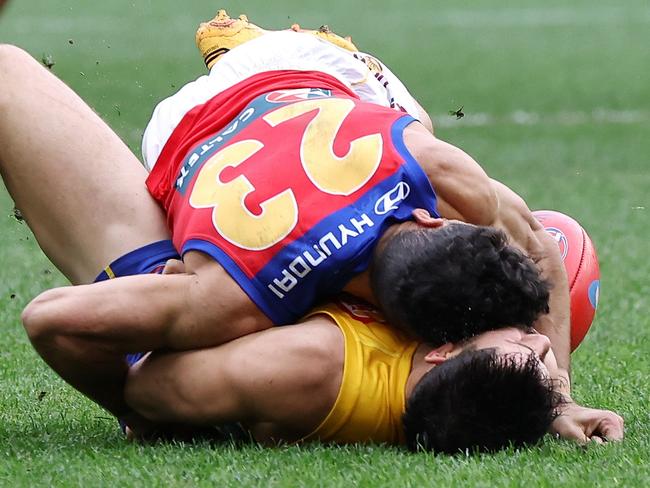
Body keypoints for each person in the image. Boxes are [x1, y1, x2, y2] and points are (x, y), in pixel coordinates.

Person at [0, 43, 622, 448]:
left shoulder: (293, 340)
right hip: (293, 86)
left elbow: (89, 343)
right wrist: (560, 396)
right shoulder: (244, 305)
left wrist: (153, 407)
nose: (539, 339)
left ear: (442, 348)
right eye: (538, 345)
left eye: (527, 347)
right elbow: (538, 248)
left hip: (277, 99)